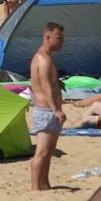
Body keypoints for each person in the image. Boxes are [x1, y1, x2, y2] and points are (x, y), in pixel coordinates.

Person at [30, 22, 65, 191]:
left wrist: (58, 83)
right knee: (42, 153)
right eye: (59, 39)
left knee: (49, 153)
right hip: (46, 111)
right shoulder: (43, 59)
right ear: (48, 38)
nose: (62, 42)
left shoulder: (47, 58)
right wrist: (56, 109)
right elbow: (45, 86)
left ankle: (44, 184)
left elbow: (49, 82)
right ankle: (36, 188)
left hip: (49, 111)